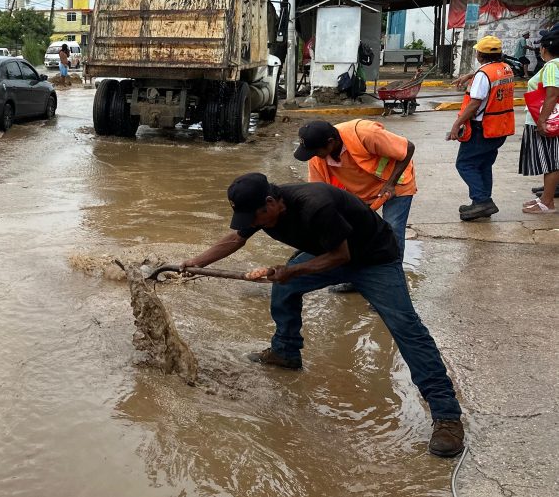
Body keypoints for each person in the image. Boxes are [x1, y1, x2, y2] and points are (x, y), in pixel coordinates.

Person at [178, 173, 465, 458]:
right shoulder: (260, 211)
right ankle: (285, 352)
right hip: (328, 254)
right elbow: (236, 239)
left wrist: (292, 271)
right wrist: (195, 262)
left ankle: (447, 416)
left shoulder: (317, 204)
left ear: (270, 202)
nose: (252, 225)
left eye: (254, 218)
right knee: (284, 291)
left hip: (374, 259)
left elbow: (342, 257)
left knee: (406, 329)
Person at [293, 119, 416, 258]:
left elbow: (408, 148)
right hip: (363, 190)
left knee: (393, 231)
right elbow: (317, 194)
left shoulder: (364, 133)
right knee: (357, 233)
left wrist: (391, 183)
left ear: (331, 142)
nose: (314, 155)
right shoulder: (316, 159)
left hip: (395, 184)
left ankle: (394, 271)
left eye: (316, 151)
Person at [448, 36, 516, 221]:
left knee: (465, 164)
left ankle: (482, 201)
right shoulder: (505, 69)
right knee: (484, 164)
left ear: (479, 54)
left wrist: (457, 125)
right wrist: (471, 76)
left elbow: (474, 104)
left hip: (482, 128)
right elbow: (488, 76)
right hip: (500, 127)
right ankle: (482, 201)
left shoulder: (484, 75)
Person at [520, 25, 559, 214]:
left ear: (544, 49)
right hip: (553, 118)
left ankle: (547, 202)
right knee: (550, 161)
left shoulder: (552, 65)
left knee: (551, 162)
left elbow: (552, 94)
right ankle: (545, 198)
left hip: (547, 120)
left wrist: (542, 121)